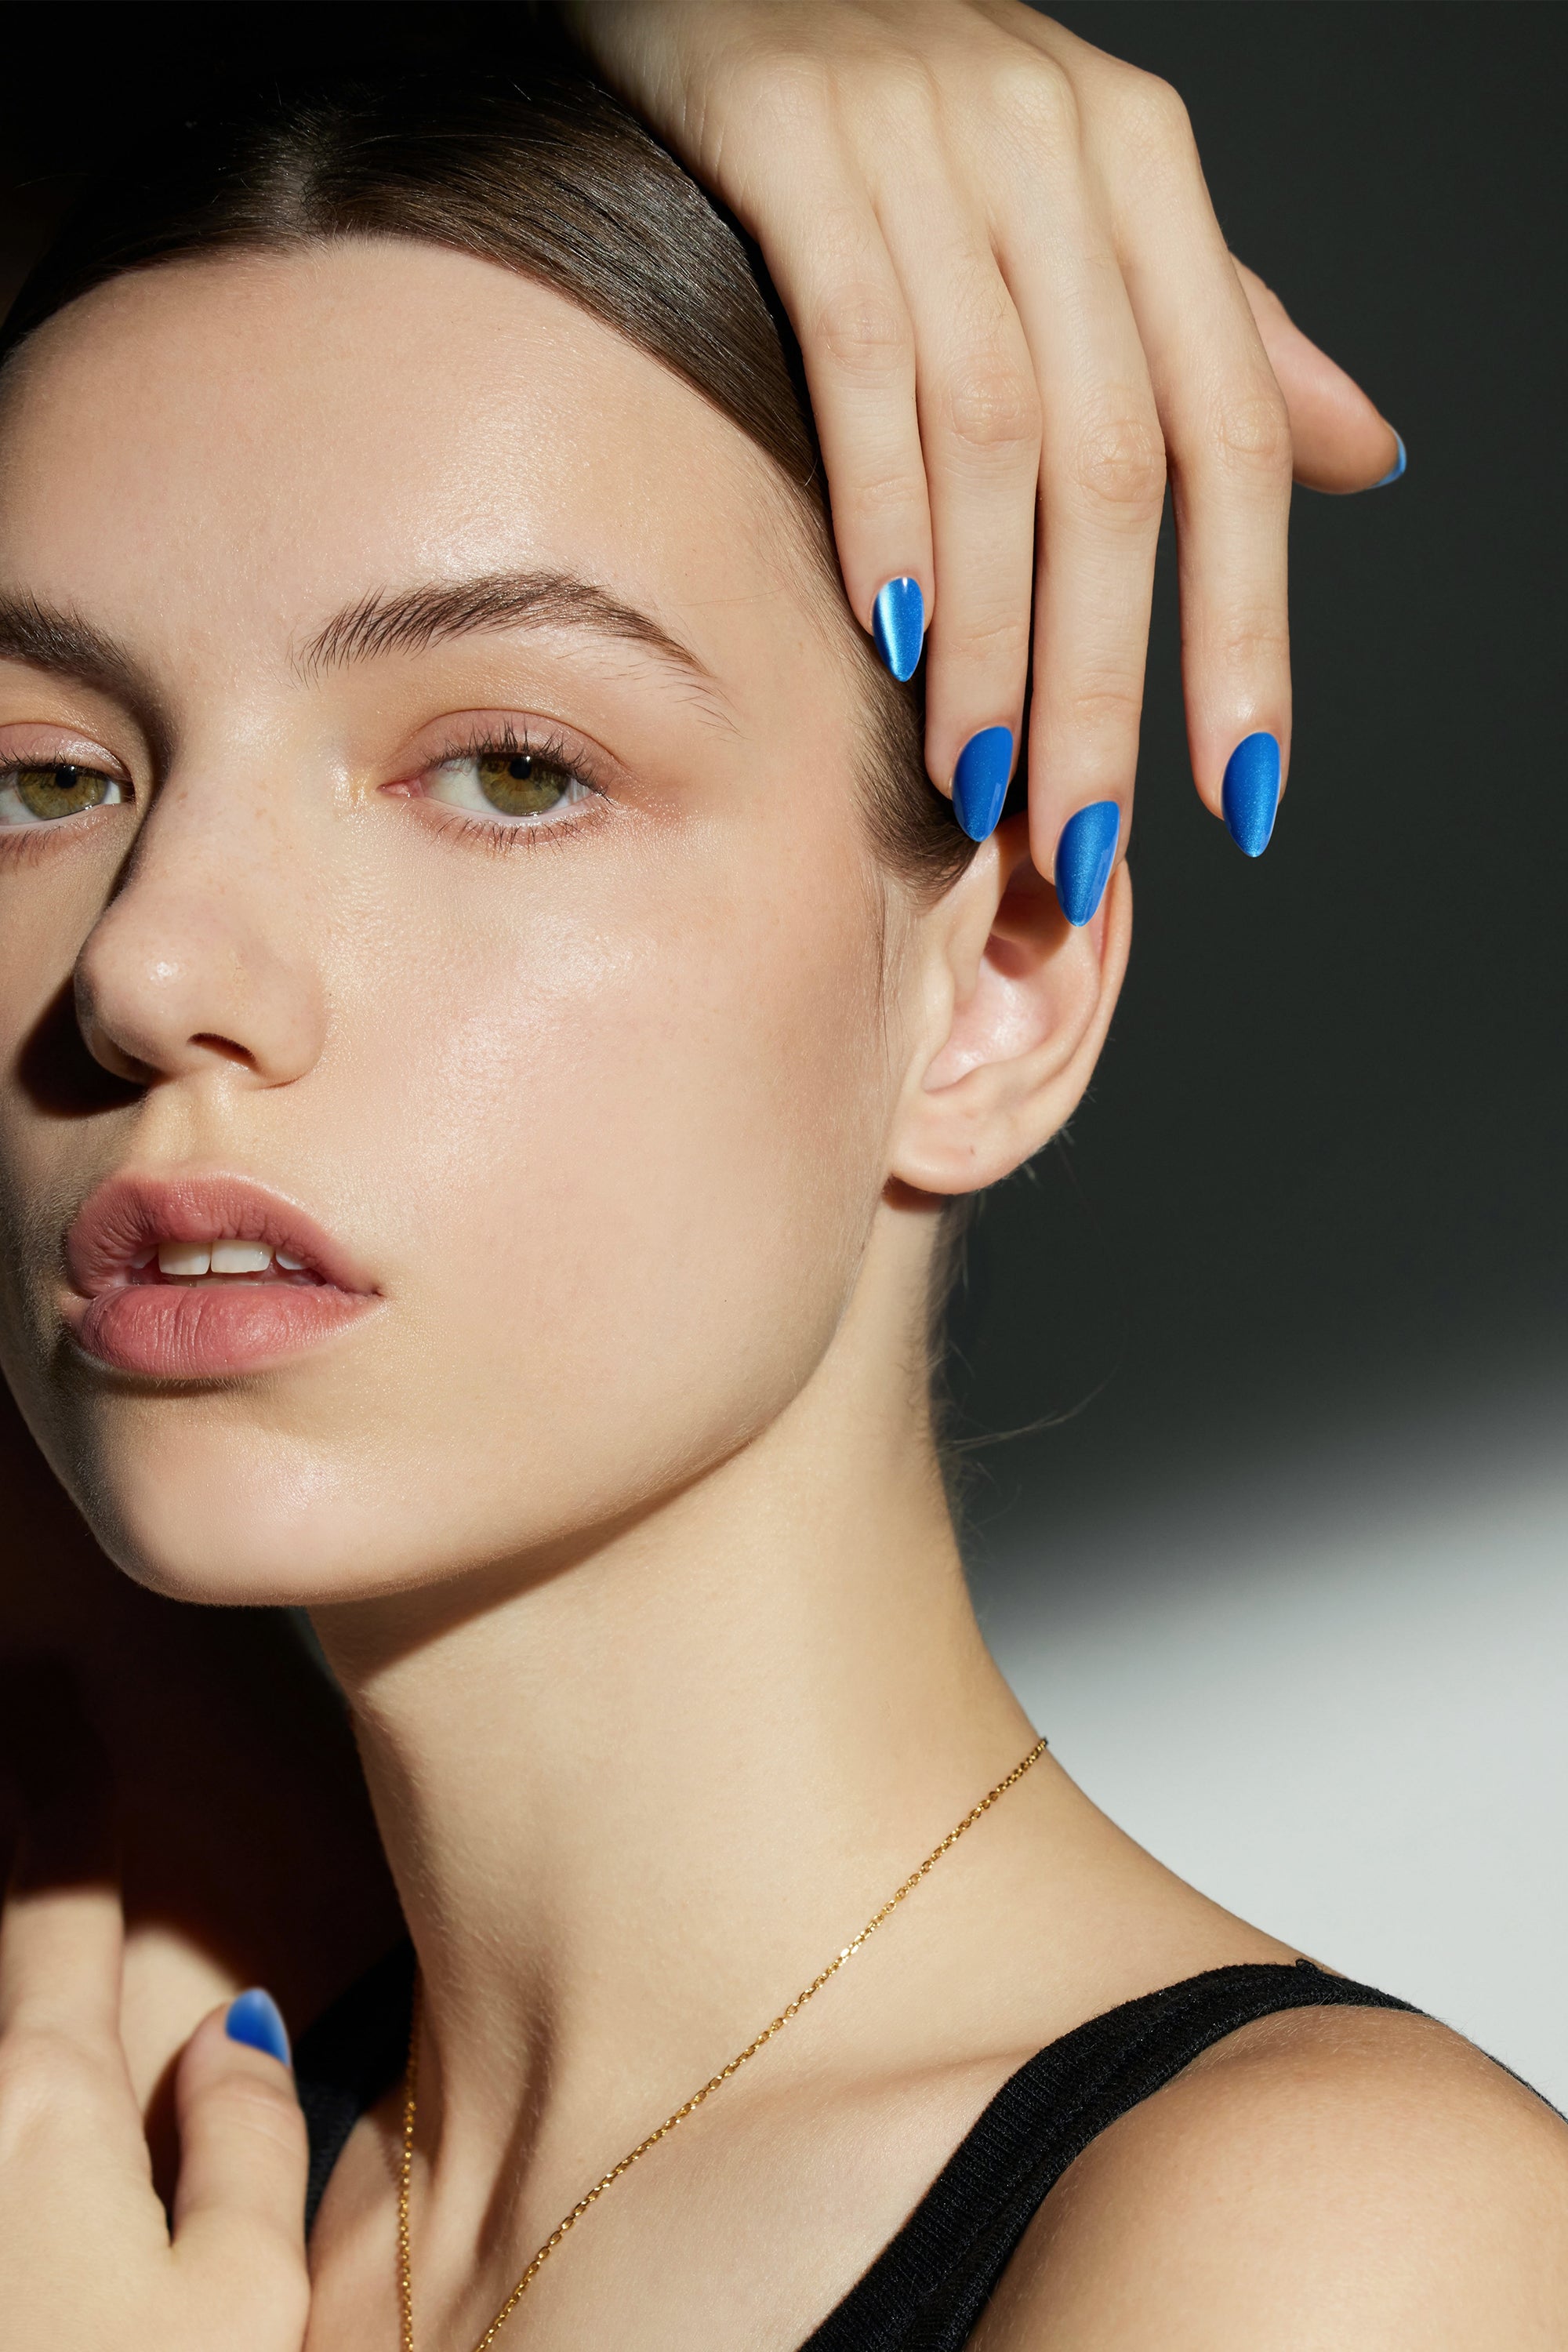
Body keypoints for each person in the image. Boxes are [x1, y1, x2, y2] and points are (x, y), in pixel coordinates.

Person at [9, 30, 1552, 2352]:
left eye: (507, 768)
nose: (147, 968)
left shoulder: (1329, 2247)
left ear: (992, 991)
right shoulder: (121, 2190)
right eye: (42, 779)